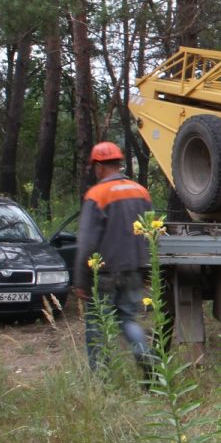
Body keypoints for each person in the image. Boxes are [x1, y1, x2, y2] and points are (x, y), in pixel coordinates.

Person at [73, 141, 157, 371]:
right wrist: (147, 269)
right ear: (119, 163)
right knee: (128, 319)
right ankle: (146, 356)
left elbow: (87, 241)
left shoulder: (97, 194)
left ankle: (100, 376)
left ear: (99, 166)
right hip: (135, 269)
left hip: (105, 272)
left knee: (96, 324)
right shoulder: (141, 191)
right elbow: (151, 232)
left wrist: (81, 280)